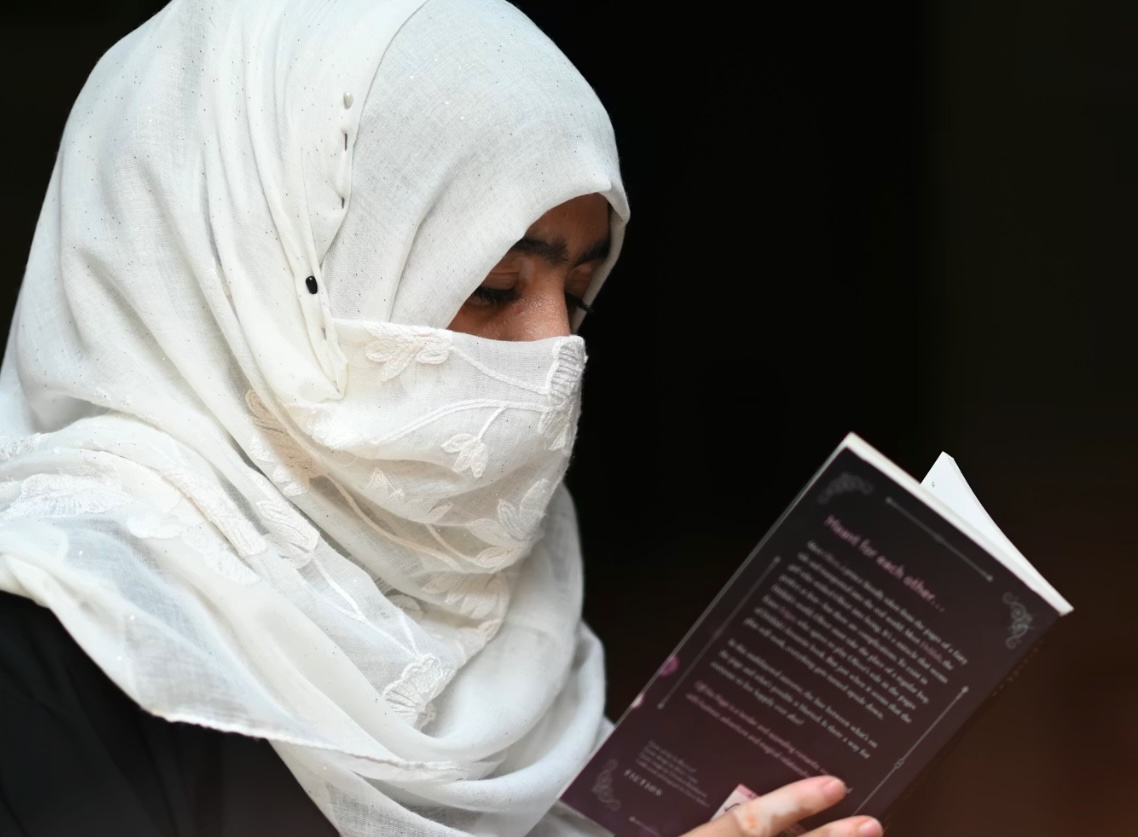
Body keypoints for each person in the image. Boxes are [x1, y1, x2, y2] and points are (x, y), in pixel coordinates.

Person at [0, 0, 884, 835]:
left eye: (578, 295)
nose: (554, 350)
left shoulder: (510, 624)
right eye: (492, 285)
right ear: (271, 275)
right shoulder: (55, 643)